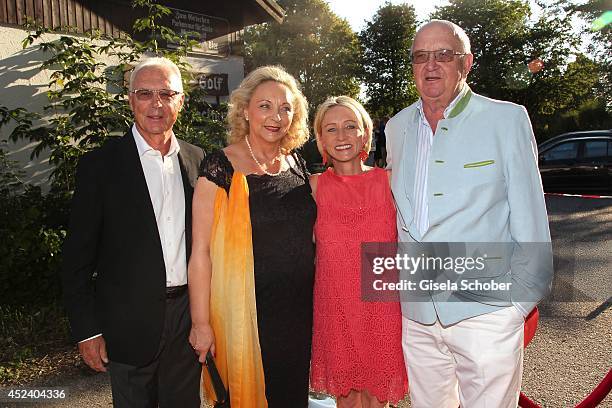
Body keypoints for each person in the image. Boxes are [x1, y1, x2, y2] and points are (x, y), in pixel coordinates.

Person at [385, 20, 553, 407]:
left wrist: (514, 309)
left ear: (466, 63)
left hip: (488, 315)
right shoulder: (395, 128)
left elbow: (531, 220)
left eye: (444, 55)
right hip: (418, 317)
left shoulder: (505, 120)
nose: (431, 65)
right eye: (421, 56)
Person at [60, 57, 204, 407]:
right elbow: (76, 258)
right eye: (145, 93)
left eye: (167, 93)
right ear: (130, 100)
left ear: (180, 101)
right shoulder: (100, 165)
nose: (156, 104)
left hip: (188, 320)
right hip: (126, 325)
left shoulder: (199, 160)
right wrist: (88, 330)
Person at [188, 65, 316, 407]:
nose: (276, 116)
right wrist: (201, 323)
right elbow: (200, 252)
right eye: (265, 106)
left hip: (298, 312)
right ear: (245, 110)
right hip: (244, 315)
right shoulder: (220, 167)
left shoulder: (297, 164)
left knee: (290, 397)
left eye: (285, 108)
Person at [309, 96, 408, 407]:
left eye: (350, 126)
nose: (341, 136)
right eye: (331, 129)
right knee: (347, 401)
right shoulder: (312, 187)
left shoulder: (390, 182)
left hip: (382, 308)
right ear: (320, 139)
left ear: (366, 132)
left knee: (378, 398)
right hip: (336, 307)